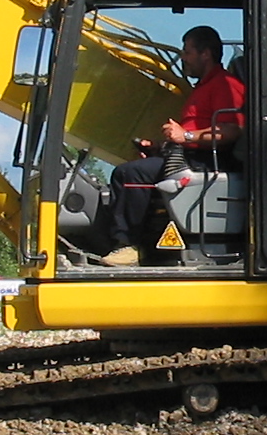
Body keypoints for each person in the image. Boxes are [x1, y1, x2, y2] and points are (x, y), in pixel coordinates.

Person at [101, 25, 245, 267]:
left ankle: (127, 245)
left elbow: (231, 130)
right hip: (192, 155)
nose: (183, 57)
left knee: (129, 175)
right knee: (138, 167)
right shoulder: (204, 86)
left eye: (187, 52)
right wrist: (159, 146)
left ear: (205, 54)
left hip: (208, 160)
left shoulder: (225, 85)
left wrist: (185, 136)